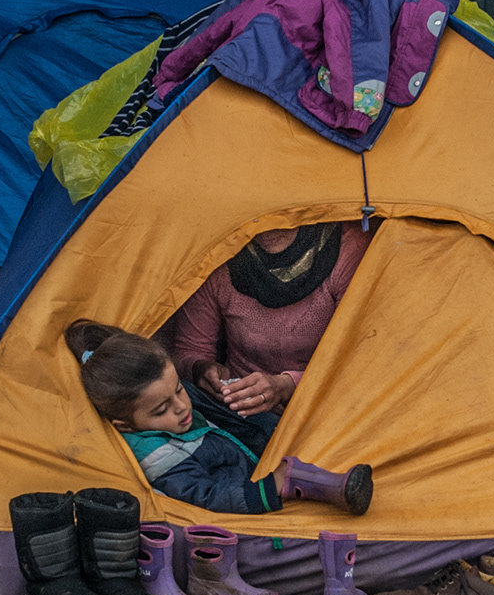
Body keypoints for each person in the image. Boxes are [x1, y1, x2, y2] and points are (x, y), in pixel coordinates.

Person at [66, 320, 372, 516]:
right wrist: (270, 487)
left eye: (179, 390)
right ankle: (332, 487)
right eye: (161, 410)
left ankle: (336, 481)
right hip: (247, 498)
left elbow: (226, 418)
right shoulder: (157, 454)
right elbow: (205, 496)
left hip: (253, 461)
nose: (181, 407)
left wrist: (207, 381)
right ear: (124, 425)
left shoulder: (171, 401)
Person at [167, 220, 374, 453]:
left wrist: (288, 386)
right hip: (241, 414)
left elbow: (364, 361)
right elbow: (189, 350)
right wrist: (200, 369)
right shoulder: (218, 251)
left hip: (330, 410)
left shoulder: (348, 249)